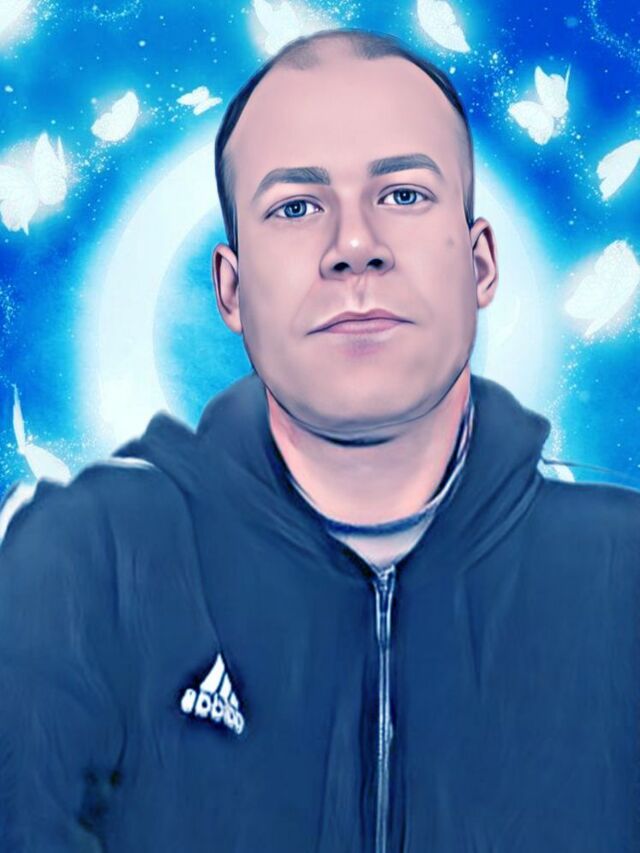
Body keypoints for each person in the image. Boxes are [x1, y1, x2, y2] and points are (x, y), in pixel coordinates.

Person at [1, 26, 639, 853]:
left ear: (481, 263)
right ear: (231, 290)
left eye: (402, 194)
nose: (354, 247)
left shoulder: (622, 573)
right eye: (296, 207)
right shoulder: (88, 565)